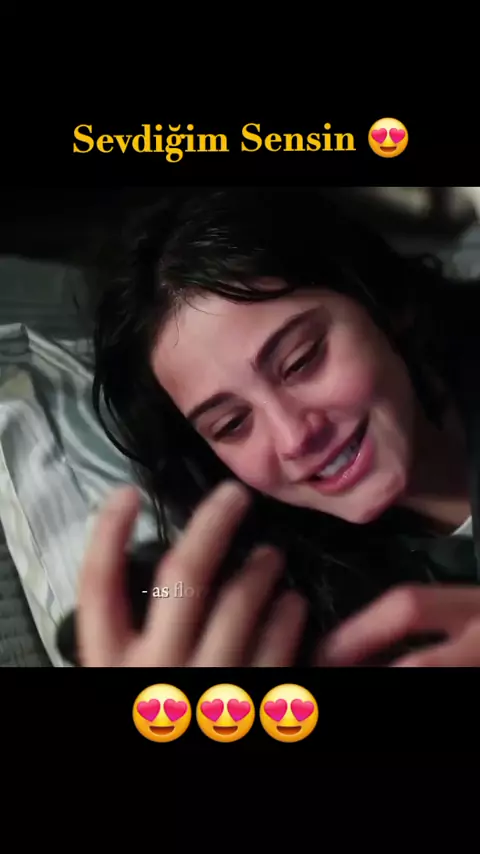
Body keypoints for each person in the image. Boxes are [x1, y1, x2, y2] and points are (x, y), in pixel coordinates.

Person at [59, 187, 480, 667]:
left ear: (382, 301)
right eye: (232, 424)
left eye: (300, 361)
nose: (294, 436)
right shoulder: (293, 597)